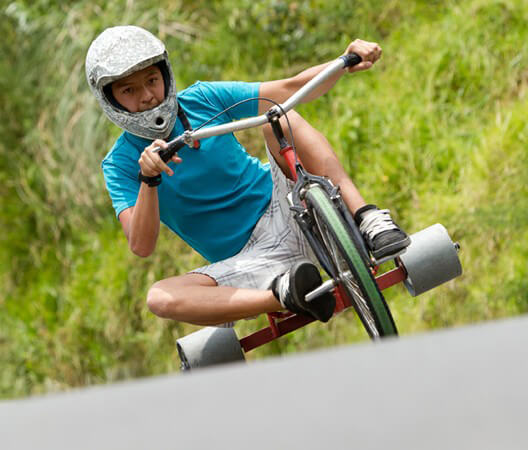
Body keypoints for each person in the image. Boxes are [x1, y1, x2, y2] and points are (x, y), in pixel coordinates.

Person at [86, 25, 409, 326]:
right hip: (251, 262)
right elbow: (142, 245)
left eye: (152, 81)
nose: (146, 96)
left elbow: (288, 88)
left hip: (290, 206)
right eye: (129, 90)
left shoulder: (202, 99)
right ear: (110, 99)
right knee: (159, 297)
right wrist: (149, 180)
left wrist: (343, 61)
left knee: (278, 114)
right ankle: (283, 295)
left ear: (165, 76)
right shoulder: (119, 164)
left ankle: (366, 218)